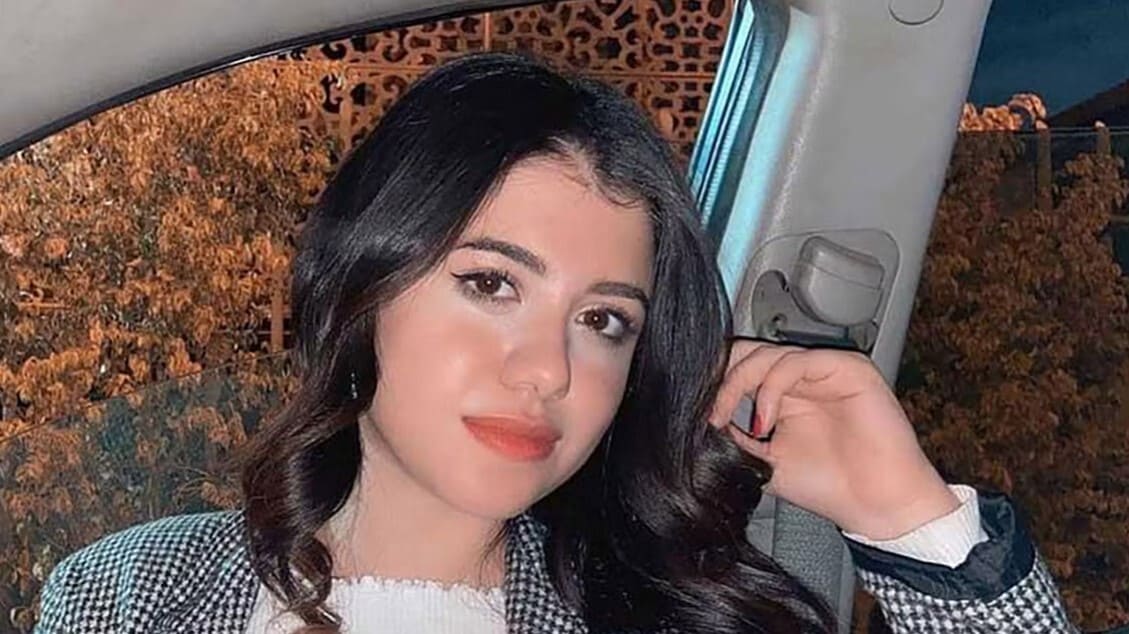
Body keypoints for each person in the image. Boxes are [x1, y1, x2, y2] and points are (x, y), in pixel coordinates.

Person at [34, 52, 1076, 634]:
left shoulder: (663, 616)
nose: (548, 371)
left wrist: (911, 523)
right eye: (491, 283)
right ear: (362, 288)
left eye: (604, 321)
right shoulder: (130, 596)